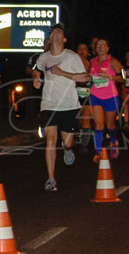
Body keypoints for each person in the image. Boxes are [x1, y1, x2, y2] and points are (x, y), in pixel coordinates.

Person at [31, 24, 87, 192]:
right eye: (53, 32)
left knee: (68, 142)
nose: (55, 35)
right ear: (50, 38)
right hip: (48, 104)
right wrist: (36, 79)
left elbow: (84, 78)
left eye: (58, 33)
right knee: (50, 140)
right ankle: (51, 178)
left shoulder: (72, 57)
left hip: (68, 105)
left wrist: (63, 73)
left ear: (64, 39)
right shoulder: (44, 57)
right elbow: (37, 70)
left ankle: (68, 149)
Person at [88, 39, 124, 160]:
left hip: (110, 96)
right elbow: (90, 77)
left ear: (107, 48)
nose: (100, 47)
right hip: (95, 95)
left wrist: (110, 76)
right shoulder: (92, 61)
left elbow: (123, 78)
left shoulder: (113, 61)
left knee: (109, 125)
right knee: (98, 124)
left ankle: (114, 141)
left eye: (103, 45)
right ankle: (98, 152)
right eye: (98, 45)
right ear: (95, 48)